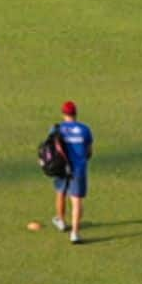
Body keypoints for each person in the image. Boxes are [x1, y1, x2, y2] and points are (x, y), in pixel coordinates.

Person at [50, 101, 94, 243]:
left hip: (62, 167)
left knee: (61, 192)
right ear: (76, 113)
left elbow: (50, 148)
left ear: (63, 114)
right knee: (76, 200)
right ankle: (74, 233)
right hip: (79, 168)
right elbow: (89, 151)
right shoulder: (85, 129)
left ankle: (61, 221)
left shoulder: (56, 129)